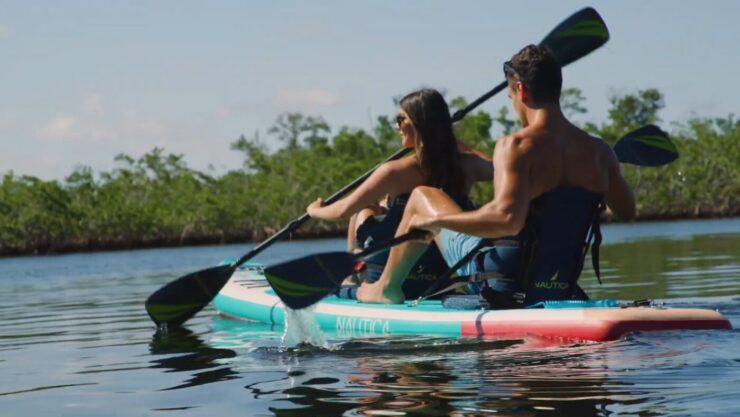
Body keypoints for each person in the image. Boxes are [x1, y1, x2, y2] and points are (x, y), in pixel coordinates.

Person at [356, 45, 636, 305]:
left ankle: (386, 288)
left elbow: (506, 221)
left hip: (502, 281)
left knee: (422, 197)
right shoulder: (601, 152)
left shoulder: (516, 146)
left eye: (511, 97)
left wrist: (435, 220)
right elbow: (626, 211)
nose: (513, 105)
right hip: (558, 284)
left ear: (521, 90)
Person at [306, 88, 492, 299]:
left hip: (390, 272)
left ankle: (352, 278)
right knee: (379, 209)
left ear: (418, 123)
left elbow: (341, 210)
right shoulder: (468, 166)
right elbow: (501, 169)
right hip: (441, 273)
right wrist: (455, 142)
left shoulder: (394, 171)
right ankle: (355, 273)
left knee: (363, 210)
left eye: (400, 118)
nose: (396, 126)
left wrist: (314, 211)